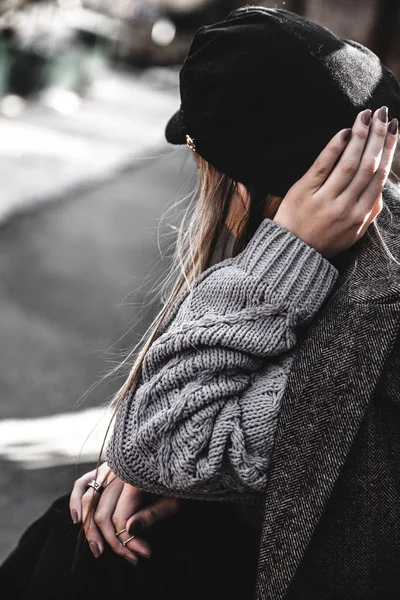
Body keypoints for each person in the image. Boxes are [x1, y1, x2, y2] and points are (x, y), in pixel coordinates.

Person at [1, 6, 400, 600]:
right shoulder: (367, 262)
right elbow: (190, 443)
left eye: (203, 163)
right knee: (79, 526)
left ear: (244, 183)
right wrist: (169, 481)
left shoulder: (375, 305)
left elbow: (166, 439)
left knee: (78, 548)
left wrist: (287, 252)